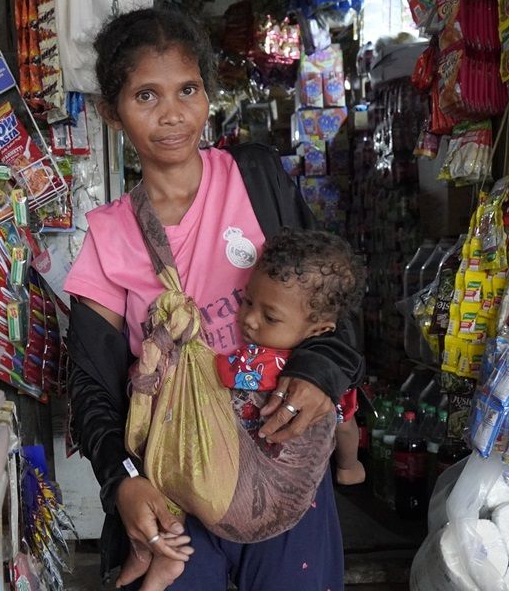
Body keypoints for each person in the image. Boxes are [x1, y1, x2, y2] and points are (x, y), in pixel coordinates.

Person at [65, 7, 365, 591]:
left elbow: (330, 296)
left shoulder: (255, 180)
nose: (172, 114)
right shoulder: (108, 236)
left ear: (208, 92)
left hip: (282, 463)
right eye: (145, 96)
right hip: (174, 478)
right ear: (111, 112)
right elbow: (92, 386)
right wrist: (121, 480)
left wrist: (320, 374)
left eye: (187, 90)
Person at [116, 229, 367, 591]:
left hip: (233, 475)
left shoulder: (255, 362)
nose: (249, 320)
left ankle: (159, 559)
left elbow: (218, 372)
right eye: (248, 303)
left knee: (172, 477)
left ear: (321, 328)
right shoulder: (322, 383)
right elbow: (345, 425)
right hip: (285, 491)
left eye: (271, 317)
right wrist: (348, 464)